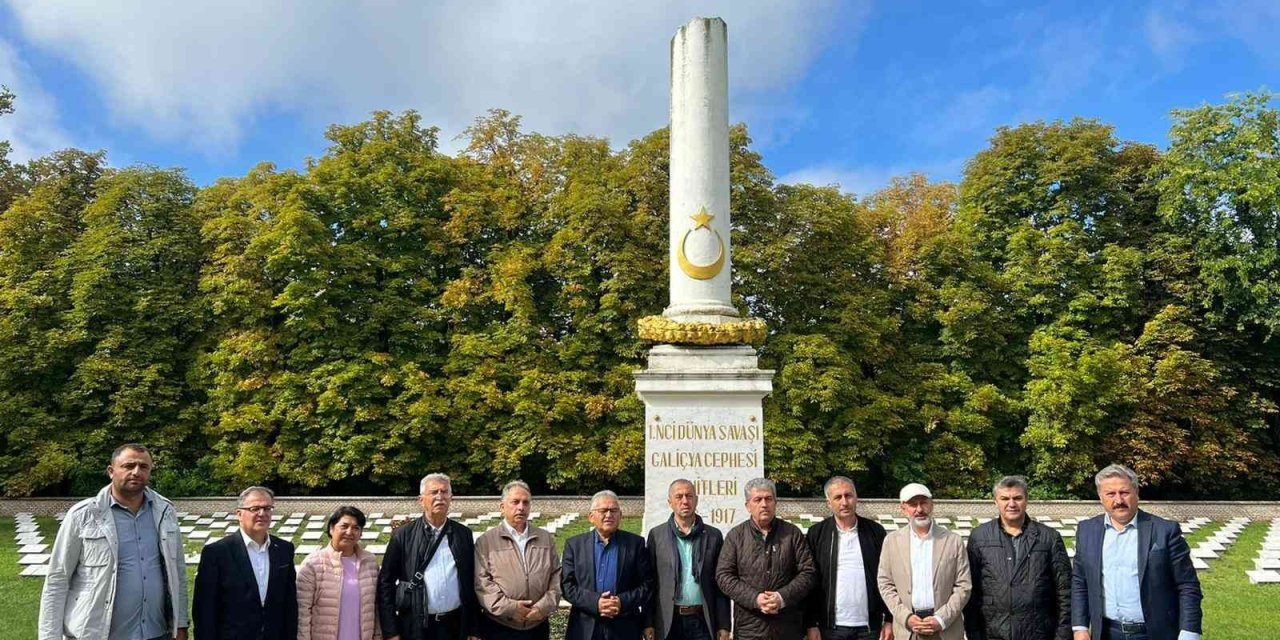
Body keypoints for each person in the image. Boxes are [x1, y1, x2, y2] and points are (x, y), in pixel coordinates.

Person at [38, 443, 188, 640]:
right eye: (128, 466)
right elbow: (58, 579)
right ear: (111, 471)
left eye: (143, 467)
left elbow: (177, 571)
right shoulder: (83, 515)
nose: (136, 472)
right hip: (98, 634)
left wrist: (180, 624)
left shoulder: (165, 511)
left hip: (156, 633)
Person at [1071, 464, 1202, 640]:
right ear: (1100, 497)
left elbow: (1187, 585)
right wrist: (1080, 628)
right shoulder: (1087, 530)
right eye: (1110, 494)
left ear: (1136, 493)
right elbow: (1080, 581)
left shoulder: (1164, 531)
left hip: (1154, 633)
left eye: (1124, 492)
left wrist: (1189, 633)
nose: (1118, 500)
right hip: (1107, 633)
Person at [964, 476, 1071, 640]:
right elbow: (972, 591)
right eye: (1005, 499)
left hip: (1039, 633)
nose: (1011, 504)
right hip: (993, 633)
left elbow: (1065, 591)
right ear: (995, 502)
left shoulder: (1049, 538)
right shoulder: (979, 537)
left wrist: (1062, 635)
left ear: (1026, 500)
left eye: (1017, 498)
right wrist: (973, 634)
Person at [378, 473, 479, 640]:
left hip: (456, 625)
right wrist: (391, 631)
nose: (440, 497)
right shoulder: (403, 535)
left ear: (451, 498)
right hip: (417, 627)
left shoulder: (463, 534)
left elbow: (471, 582)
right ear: (421, 499)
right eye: (434, 492)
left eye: (444, 492)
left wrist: (474, 629)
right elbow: (385, 583)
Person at [715, 477, 817, 640]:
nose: (764, 504)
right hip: (749, 629)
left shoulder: (792, 534)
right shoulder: (735, 536)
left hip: (788, 627)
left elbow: (808, 572)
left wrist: (782, 597)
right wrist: (755, 599)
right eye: (758, 500)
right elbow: (724, 576)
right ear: (748, 506)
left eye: (768, 499)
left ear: (775, 503)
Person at [193, 486, 298, 640]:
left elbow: (290, 604)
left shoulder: (284, 549)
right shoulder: (217, 553)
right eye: (255, 509)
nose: (262, 513)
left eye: (267, 508)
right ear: (239, 514)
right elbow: (205, 609)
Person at [877, 483, 970, 640]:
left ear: (931, 505)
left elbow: (963, 585)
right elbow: (885, 583)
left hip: (945, 631)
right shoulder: (891, 541)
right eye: (913, 504)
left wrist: (941, 619)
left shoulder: (953, 541)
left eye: (924, 503)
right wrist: (906, 617)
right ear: (903, 508)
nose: (919, 509)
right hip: (908, 632)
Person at [804, 476, 892, 640]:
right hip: (830, 628)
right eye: (838, 497)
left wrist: (889, 619)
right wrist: (811, 623)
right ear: (829, 503)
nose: (844, 502)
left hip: (869, 627)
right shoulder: (817, 534)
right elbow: (810, 580)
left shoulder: (875, 532)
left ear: (856, 498)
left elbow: (889, 577)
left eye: (848, 495)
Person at [474, 480, 562, 640]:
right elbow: (482, 583)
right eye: (515, 502)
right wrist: (511, 608)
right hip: (500, 627)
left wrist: (542, 608)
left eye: (525, 502)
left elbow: (556, 576)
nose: (521, 507)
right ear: (502, 507)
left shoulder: (545, 538)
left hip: (538, 625)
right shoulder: (486, 541)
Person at [645, 479, 731, 640]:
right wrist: (648, 622)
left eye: (689, 496)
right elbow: (651, 582)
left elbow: (720, 583)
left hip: (703, 620)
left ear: (696, 500)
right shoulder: (657, 535)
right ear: (670, 502)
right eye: (679, 496)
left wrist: (724, 625)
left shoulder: (713, 536)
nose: (685, 501)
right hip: (668, 621)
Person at [561, 490, 654, 640]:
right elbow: (567, 586)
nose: (609, 515)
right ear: (591, 517)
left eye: (614, 511)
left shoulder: (635, 544)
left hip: (625, 627)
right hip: (585, 627)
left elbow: (646, 584)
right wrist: (595, 602)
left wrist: (621, 602)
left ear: (620, 515)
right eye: (603, 510)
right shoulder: (574, 545)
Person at [298, 506, 381, 640]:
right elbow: (302, 611)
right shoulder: (313, 564)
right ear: (331, 528)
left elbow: (377, 607)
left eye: (356, 528)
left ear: (361, 533)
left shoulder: (370, 563)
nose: (349, 532)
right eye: (344, 526)